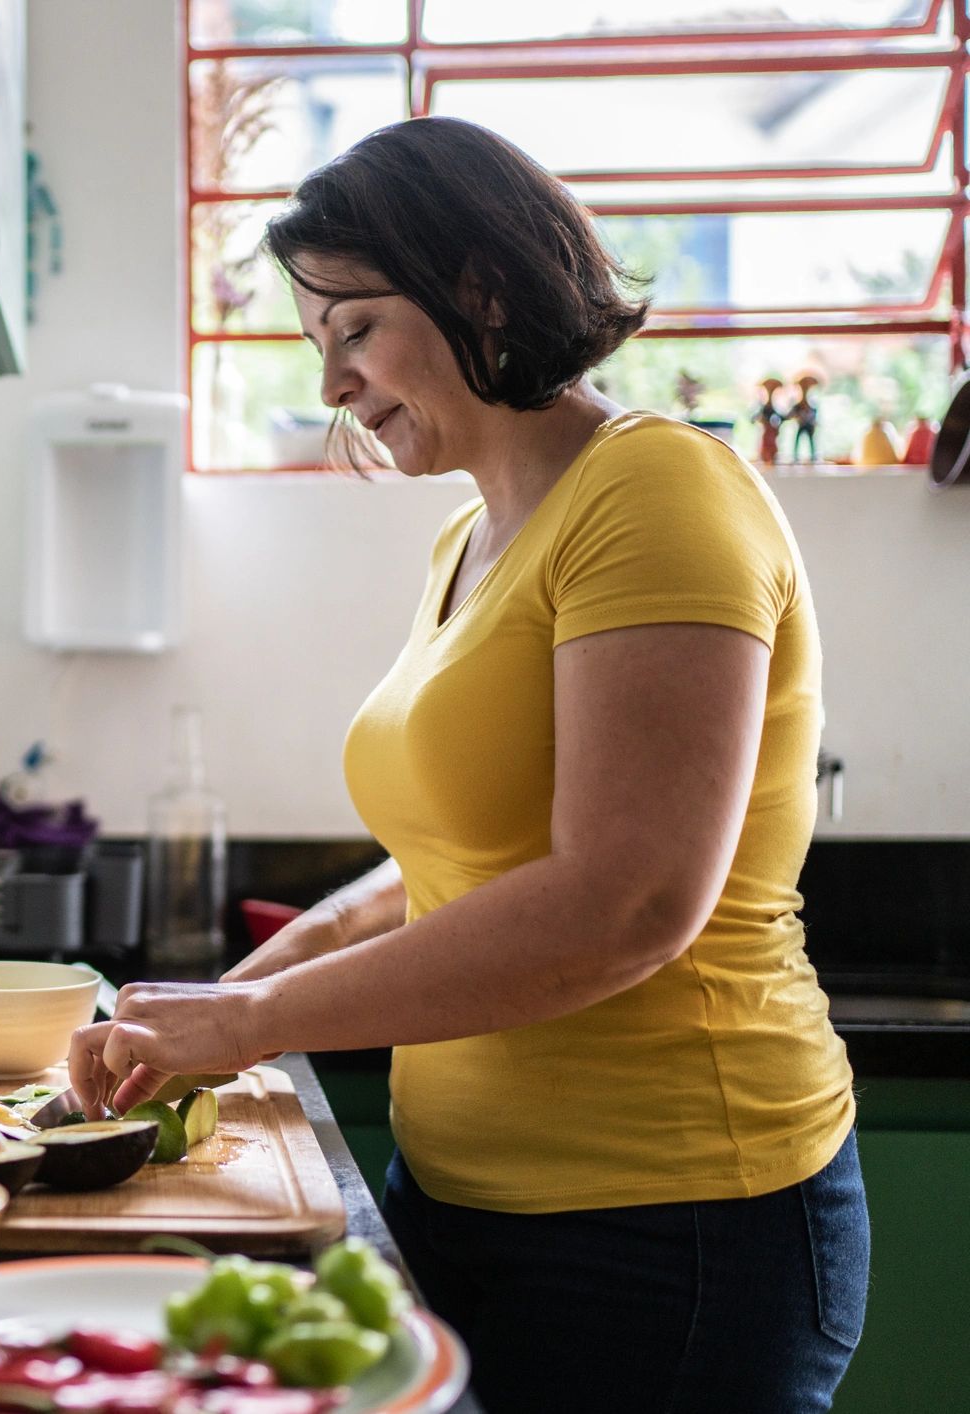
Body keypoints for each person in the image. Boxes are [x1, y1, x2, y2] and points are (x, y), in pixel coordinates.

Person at [67, 117, 865, 1413]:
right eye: (316, 343)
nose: (333, 382)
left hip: (671, 1227)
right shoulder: (472, 539)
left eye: (355, 327)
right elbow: (437, 868)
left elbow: (626, 900)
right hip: (461, 1203)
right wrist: (214, 1009)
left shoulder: (656, 491)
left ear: (481, 286)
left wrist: (255, 1025)